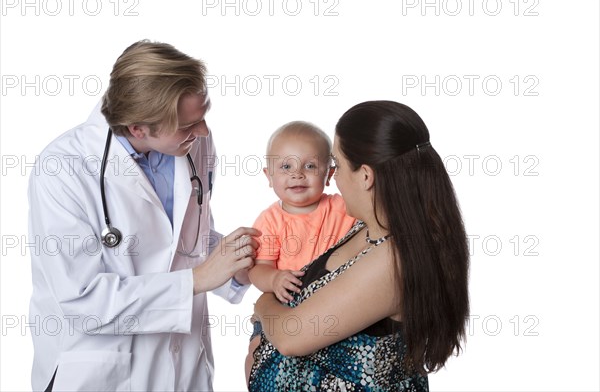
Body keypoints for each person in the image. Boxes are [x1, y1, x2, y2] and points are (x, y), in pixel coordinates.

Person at [28, 40, 259, 392]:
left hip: (185, 366)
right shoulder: (61, 170)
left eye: (203, 117)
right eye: (188, 126)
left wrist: (236, 266)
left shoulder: (193, 143)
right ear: (138, 128)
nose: (203, 132)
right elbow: (83, 300)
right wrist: (196, 280)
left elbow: (186, 240)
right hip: (101, 373)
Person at [248, 101, 470, 391]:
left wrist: (263, 304)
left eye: (337, 165)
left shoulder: (393, 259)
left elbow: (291, 337)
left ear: (366, 176)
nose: (334, 177)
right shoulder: (365, 227)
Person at [244, 121, 356, 382]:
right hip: (283, 306)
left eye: (310, 166)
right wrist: (274, 279)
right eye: (286, 167)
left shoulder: (341, 207)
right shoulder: (270, 220)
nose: (297, 174)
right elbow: (258, 269)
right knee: (255, 352)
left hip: (331, 309)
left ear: (329, 174)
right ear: (268, 176)